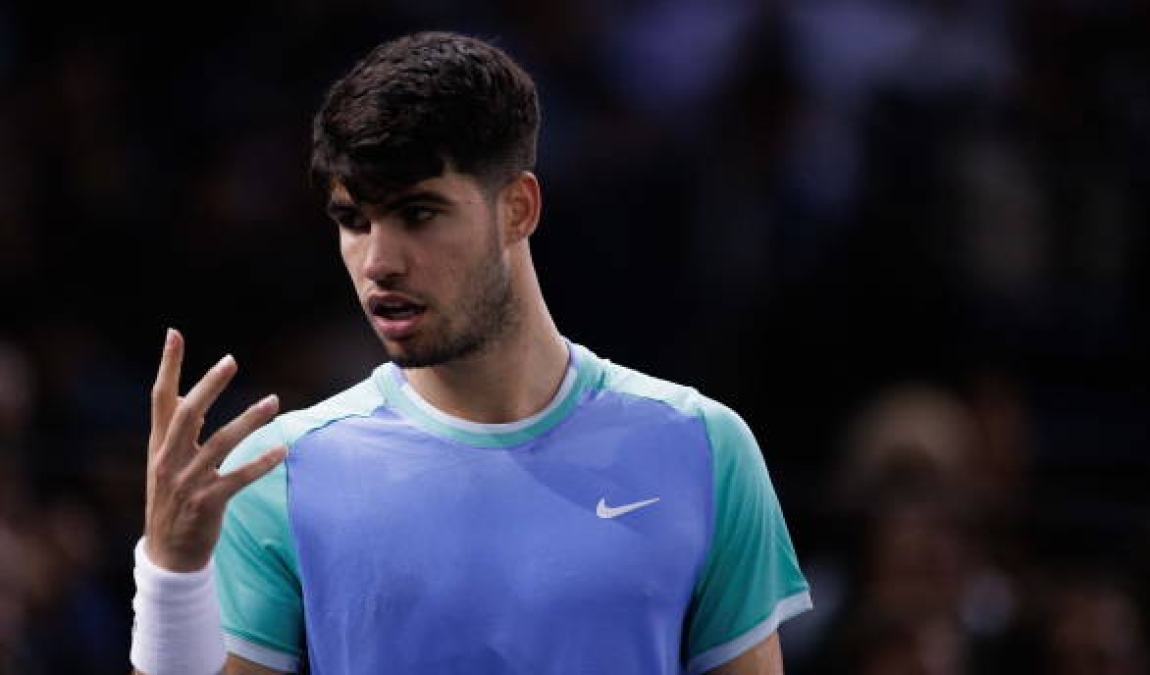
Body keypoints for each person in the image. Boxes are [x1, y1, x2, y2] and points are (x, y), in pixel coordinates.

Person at [130, 31, 810, 675]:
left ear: (517, 209)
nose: (379, 262)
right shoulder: (276, 473)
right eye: (353, 221)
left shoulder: (703, 446)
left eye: (418, 213)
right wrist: (170, 576)